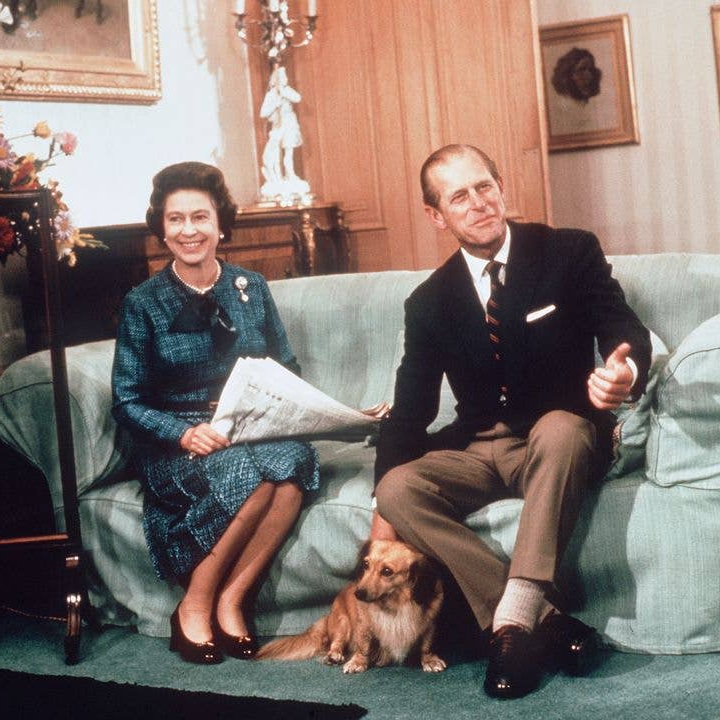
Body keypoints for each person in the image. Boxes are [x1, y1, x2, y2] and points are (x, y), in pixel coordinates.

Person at [371, 144, 651, 699]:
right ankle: (547, 621)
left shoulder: (567, 251)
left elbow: (621, 326)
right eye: (459, 197)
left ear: (501, 187)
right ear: (436, 216)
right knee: (398, 487)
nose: (478, 204)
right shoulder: (427, 302)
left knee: (562, 427)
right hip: (478, 450)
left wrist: (627, 370)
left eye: (484, 187)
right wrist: (381, 513)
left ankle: (510, 625)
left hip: (559, 441)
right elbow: (411, 411)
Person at [111, 161, 320, 665]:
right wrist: (183, 434)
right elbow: (128, 400)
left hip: (247, 428)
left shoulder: (251, 287)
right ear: (162, 229)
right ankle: (194, 607)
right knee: (253, 476)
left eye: (200, 217)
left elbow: (284, 367)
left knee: (294, 464)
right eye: (176, 219)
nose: (189, 231)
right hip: (177, 444)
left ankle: (231, 599)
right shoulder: (143, 302)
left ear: (220, 223)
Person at [259, 65, 311, 202]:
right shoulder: (271, 95)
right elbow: (263, 113)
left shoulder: (287, 91)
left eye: (285, 77)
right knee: (275, 153)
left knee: (289, 152)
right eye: (281, 77)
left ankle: (290, 174)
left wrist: (284, 93)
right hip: (278, 126)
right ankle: (277, 178)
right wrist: (275, 104)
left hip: (289, 123)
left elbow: (297, 98)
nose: (284, 79)